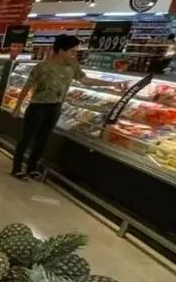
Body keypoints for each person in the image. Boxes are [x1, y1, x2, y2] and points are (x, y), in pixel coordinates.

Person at [10, 33, 110, 179]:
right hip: (37, 106)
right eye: (72, 51)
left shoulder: (72, 68)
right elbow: (27, 85)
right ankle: (16, 167)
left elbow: (86, 81)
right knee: (27, 138)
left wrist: (111, 84)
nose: (75, 55)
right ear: (62, 51)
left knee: (43, 139)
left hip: (55, 107)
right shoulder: (43, 66)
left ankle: (32, 168)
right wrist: (17, 107)